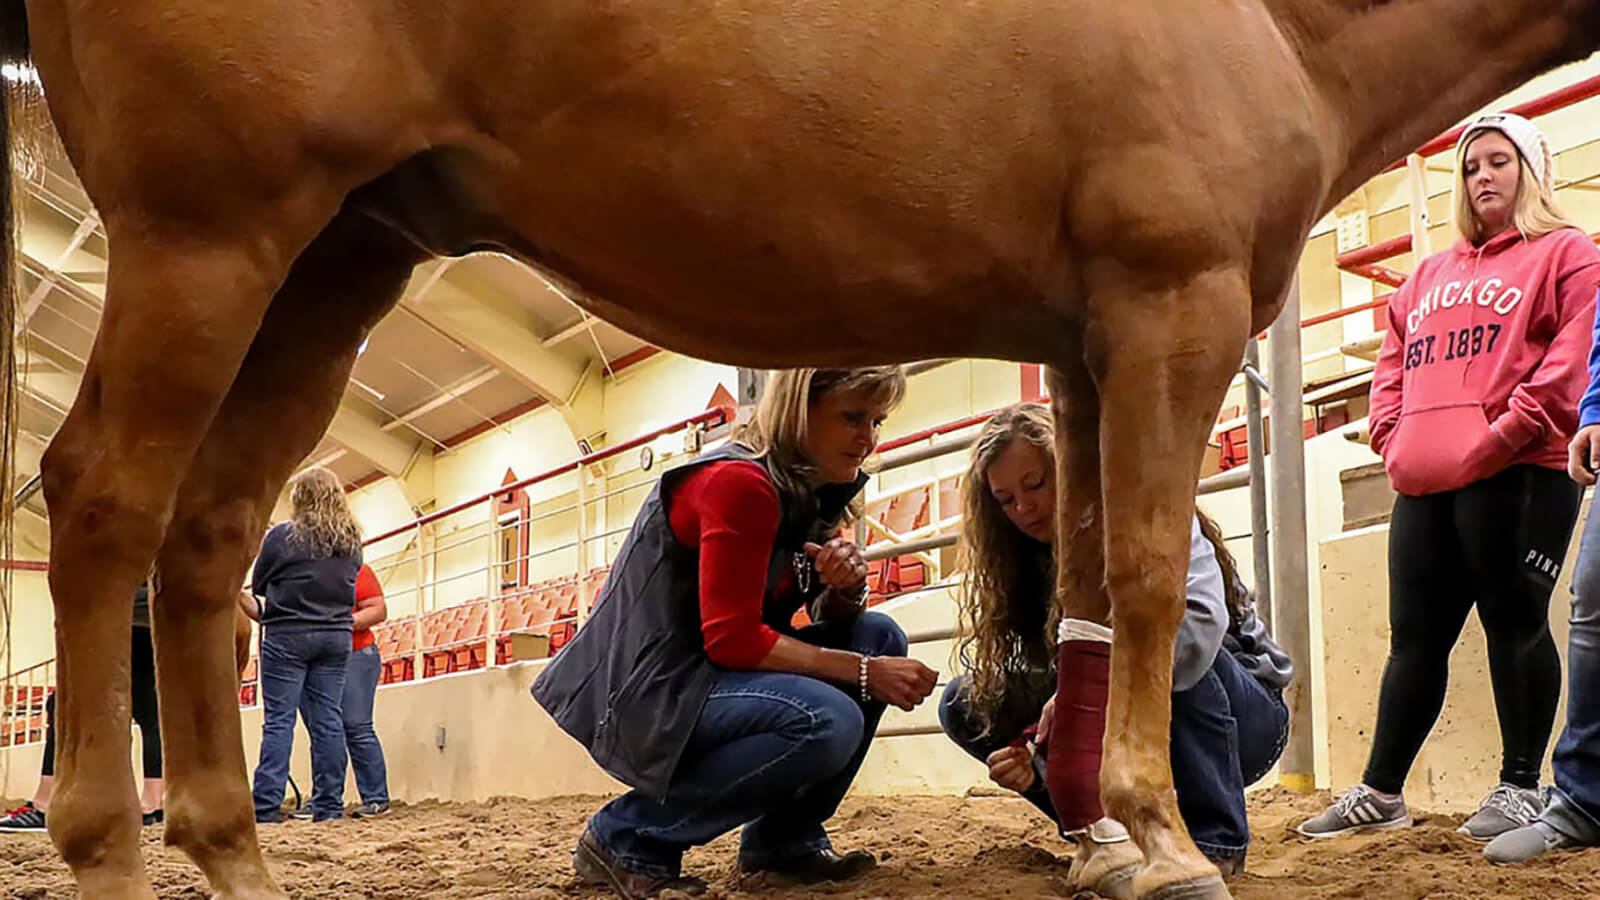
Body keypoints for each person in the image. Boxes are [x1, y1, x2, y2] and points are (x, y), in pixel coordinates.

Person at [1300, 112, 1600, 842]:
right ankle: (1381, 791)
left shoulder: (1569, 253)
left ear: (1530, 172)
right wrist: (1390, 439)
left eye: (1499, 162)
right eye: (1470, 168)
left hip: (1523, 470)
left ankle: (1522, 786)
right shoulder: (1430, 273)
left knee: (1516, 625)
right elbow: (1392, 360)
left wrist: (1503, 435)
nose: (1482, 177)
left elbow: (1571, 360)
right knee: (1414, 637)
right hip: (1425, 477)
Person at [534, 367, 939, 899]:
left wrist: (844, 587)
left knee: (878, 636)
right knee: (827, 718)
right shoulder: (740, 482)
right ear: (799, 409)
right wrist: (865, 673)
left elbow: (796, 616)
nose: (868, 438)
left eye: (877, 421)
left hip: (709, 678)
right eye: (852, 418)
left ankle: (784, 841)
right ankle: (628, 835)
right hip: (652, 690)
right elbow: (733, 639)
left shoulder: (807, 487)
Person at [938, 403, 1291, 874]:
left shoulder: (1146, 506)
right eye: (1005, 500)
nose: (1023, 509)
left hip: (1240, 717)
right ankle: (1101, 830)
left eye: (1036, 485)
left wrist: (1082, 695)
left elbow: (1198, 634)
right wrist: (1034, 760)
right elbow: (1059, 682)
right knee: (965, 701)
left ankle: (1217, 842)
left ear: (1070, 467)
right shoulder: (1021, 558)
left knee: (1164, 644)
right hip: (1128, 717)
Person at [242, 466, 363, 824]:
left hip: (288, 634)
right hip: (336, 635)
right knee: (328, 720)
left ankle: (266, 805)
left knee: (279, 721)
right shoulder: (352, 540)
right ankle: (328, 805)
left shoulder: (283, 536)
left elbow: (260, 583)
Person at [0, 583, 165, 832]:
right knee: (149, 710)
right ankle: (153, 804)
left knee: (66, 704)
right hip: (143, 620)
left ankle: (46, 804)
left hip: (123, 619)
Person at [287, 563, 391, 820]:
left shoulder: (356, 570)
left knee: (356, 726)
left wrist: (336, 624)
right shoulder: (294, 573)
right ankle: (324, 797)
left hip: (354, 653)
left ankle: (376, 797)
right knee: (321, 731)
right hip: (311, 657)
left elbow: (377, 610)